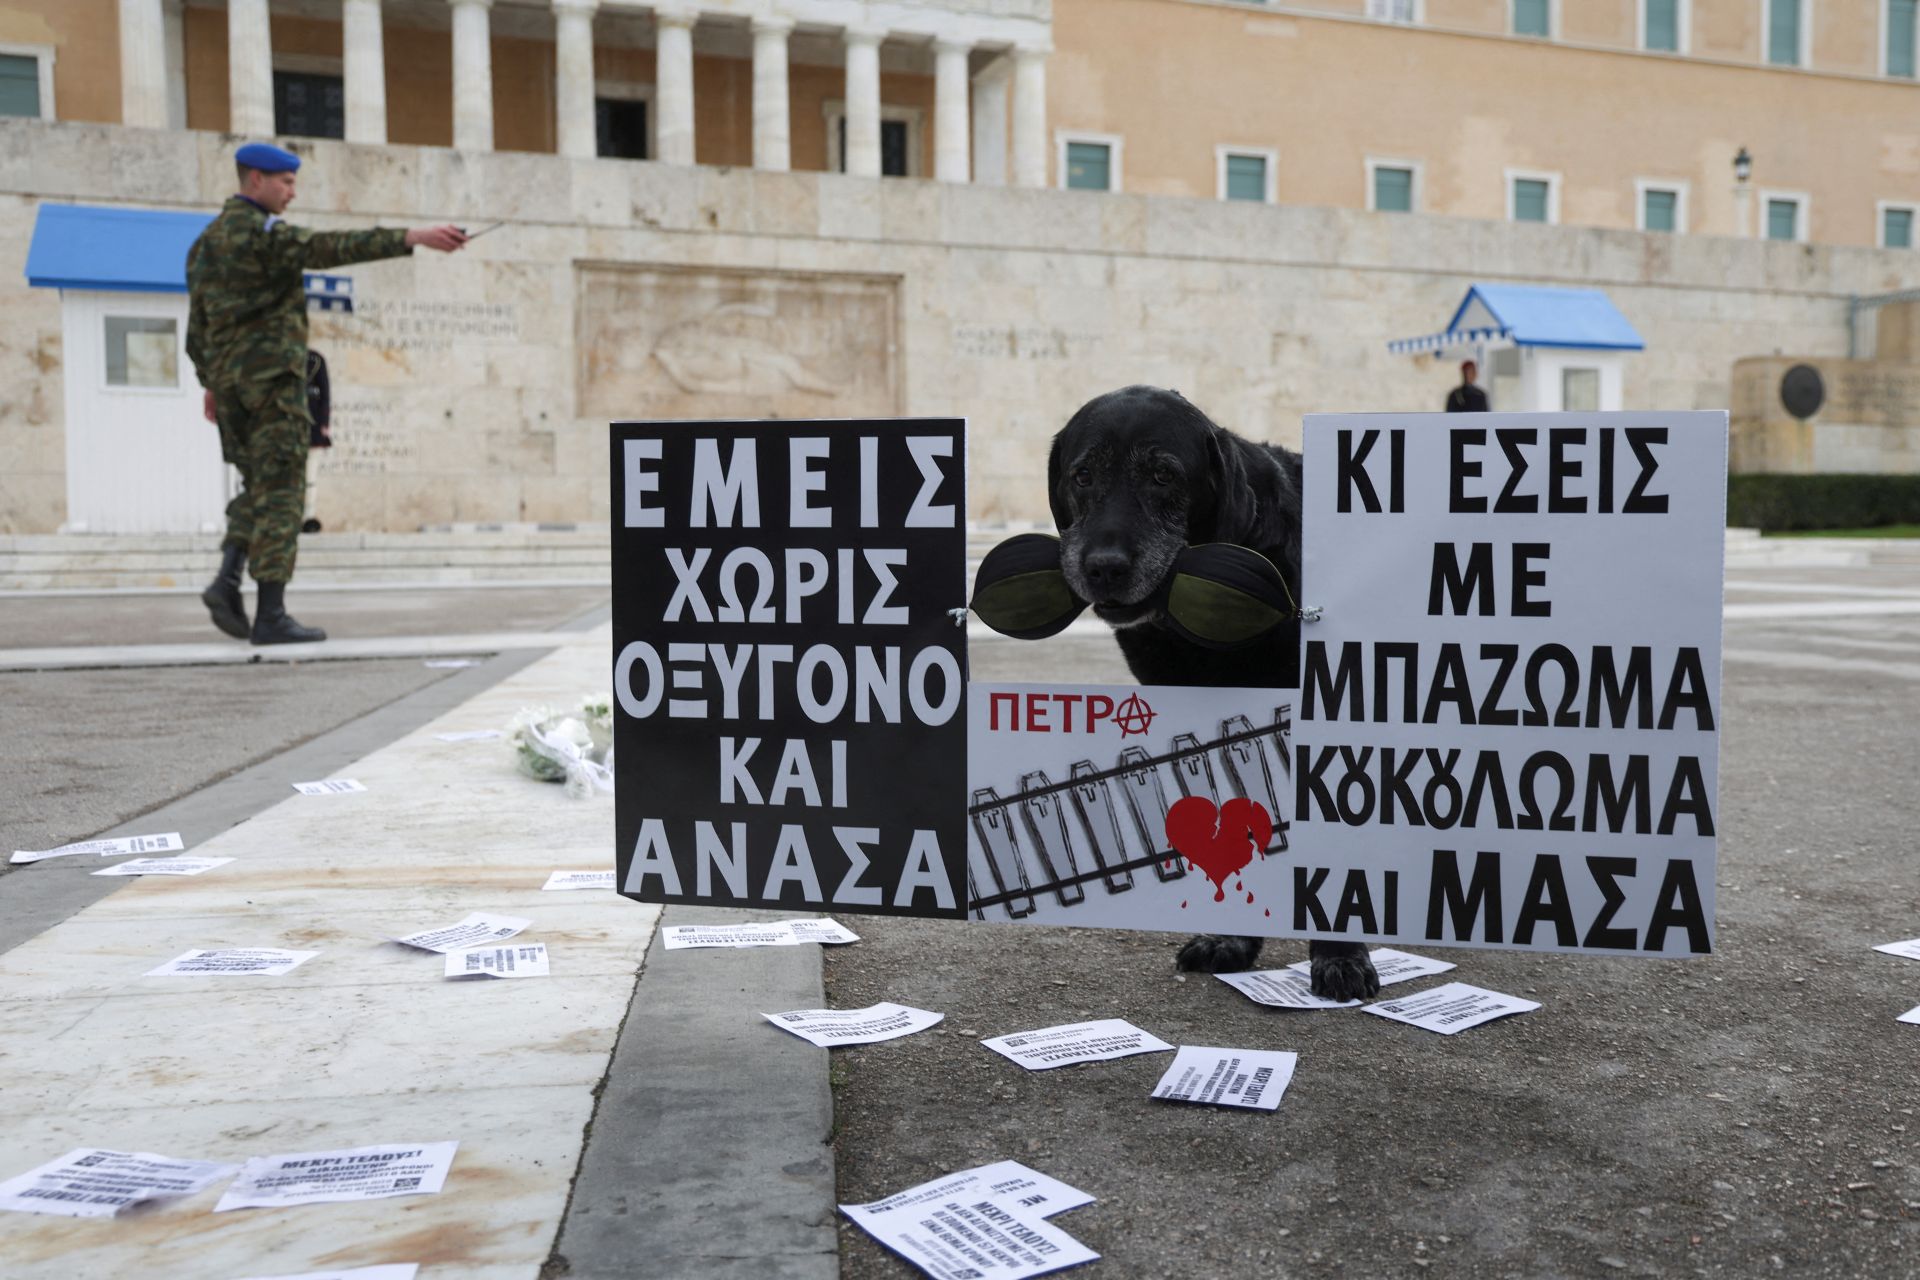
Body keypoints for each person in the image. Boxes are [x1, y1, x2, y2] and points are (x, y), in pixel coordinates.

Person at [186, 142, 469, 644]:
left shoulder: (206, 242)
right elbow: (328, 248)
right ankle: (270, 614)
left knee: (258, 487)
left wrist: (211, 382)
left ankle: (227, 579)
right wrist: (414, 236)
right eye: (285, 182)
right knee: (283, 496)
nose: (292, 192)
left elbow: (198, 325)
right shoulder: (263, 233)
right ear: (255, 180)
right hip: (273, 385)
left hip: (232, 390)